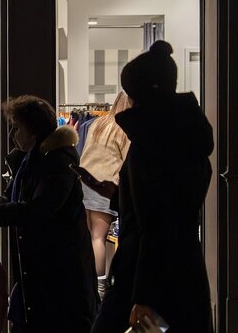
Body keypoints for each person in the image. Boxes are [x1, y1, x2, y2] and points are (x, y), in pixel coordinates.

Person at [89, 41, 213, 333]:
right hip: (182, 269)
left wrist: (142, 296)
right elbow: (171, 206)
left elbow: (156, 224)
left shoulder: (151, 145)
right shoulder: (185, 139)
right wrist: (121, 195)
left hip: (147, 275)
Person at [0, 95, 98, 332]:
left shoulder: (58, 163)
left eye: (17, 128)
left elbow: (36, 210)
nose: (12, 134)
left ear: (34, 131)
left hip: (60, 279)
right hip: (41, 274)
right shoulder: (32, 160)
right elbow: (14, 198)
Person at [78, 91, 132, 296]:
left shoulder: (97, 124)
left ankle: (88, 282)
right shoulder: (123, 129)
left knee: (88, 236)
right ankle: (100, 285)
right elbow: (128, 162)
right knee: (98, 238)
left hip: (85, 183)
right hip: (105, 185)